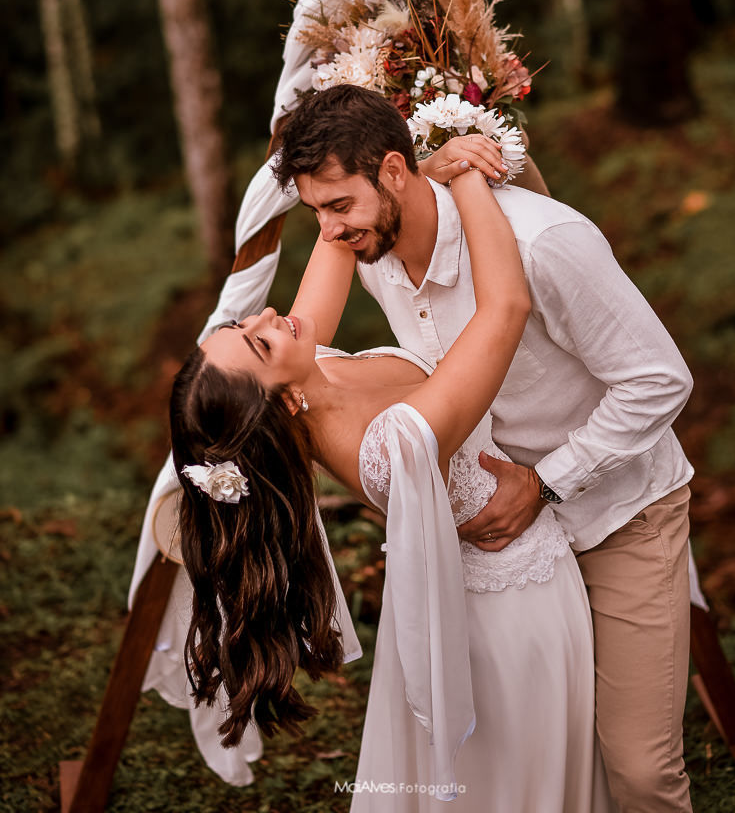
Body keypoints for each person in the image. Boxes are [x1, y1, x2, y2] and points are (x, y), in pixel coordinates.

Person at [272, 83, 695, 813]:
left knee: (638, 771)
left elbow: (659, 381)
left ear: (397, 171)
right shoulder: (369, 251)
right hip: (505, 558)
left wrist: (547, 482)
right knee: (535, 753)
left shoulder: (541, 242)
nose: (331, 232)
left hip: (618, 517)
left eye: (339, 205)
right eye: (316, 212)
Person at [171, 128, 615, 811]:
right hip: (511, 616)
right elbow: (505, 308)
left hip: (505, 586)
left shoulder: (306, 368)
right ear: (275, 403)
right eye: (257, 340)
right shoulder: (392, 443)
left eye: (246, 324)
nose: (269, 315)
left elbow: (334, 238)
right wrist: (466, 180)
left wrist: (409, 180)